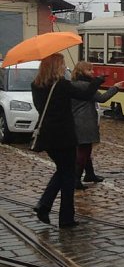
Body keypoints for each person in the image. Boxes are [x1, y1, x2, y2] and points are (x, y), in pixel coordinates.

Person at [31, 53, 103, 229]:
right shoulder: (62, 85)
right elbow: (85, 94)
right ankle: (65, 218)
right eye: (62, 64)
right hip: (64, 137)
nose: (65, 68)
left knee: (63, 171)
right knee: (68, 175)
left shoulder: (36, 85)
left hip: (47, 136)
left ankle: (45, 205)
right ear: (56, 67)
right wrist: (97, 81)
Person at [69, 61, 124, 189]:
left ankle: (90, 173)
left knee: (84, 147)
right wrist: (115, 87)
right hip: (86, 121)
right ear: (82, 72)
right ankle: (76, 179)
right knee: (84, 150)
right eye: (89, 70)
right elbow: (102, 98)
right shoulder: (86, 86)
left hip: (76, 121)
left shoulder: (72, 84)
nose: (92, 72)